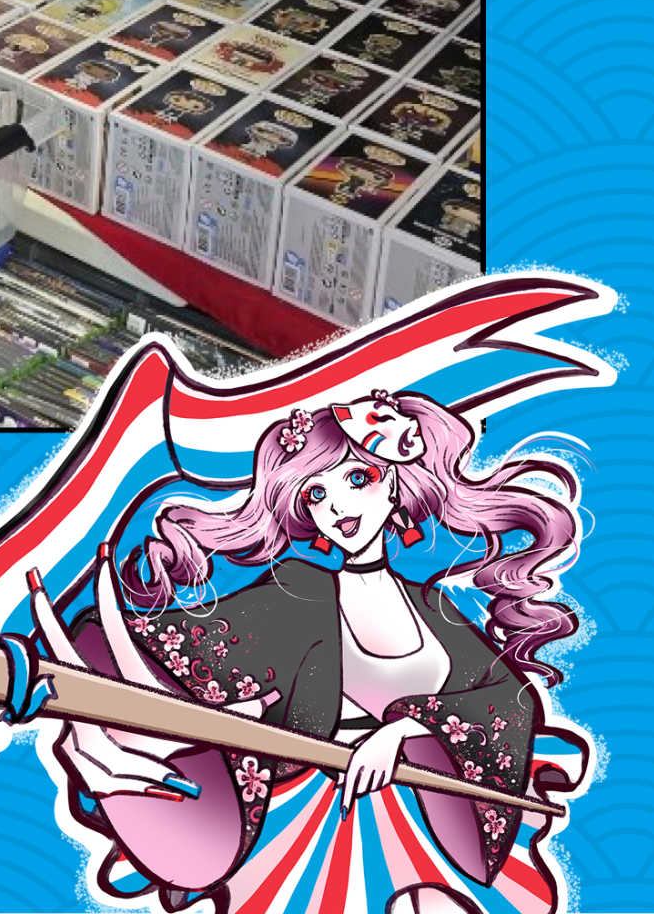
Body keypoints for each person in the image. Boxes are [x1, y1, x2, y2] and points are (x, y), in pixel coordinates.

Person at [39, 390, 580, 914]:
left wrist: (403, 732)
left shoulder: (433, 606)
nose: (336, 506)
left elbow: (505, 701)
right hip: (309, 825)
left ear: (396, 482)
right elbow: (165, 647)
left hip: (423, 818)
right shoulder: (297, 590)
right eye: (315, 494)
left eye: (357, 479)